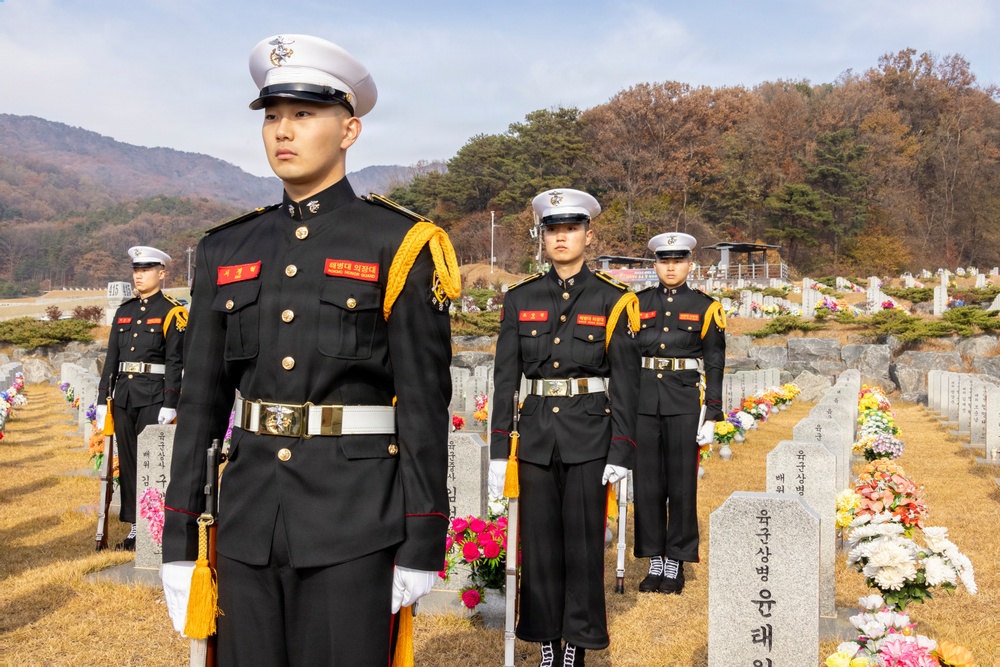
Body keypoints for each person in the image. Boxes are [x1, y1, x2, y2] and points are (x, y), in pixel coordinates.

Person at [160, 34, 458, 666]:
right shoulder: (226, 249)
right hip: (247, 519)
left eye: (303, 115)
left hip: (355, 520)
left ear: (348, 130)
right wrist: (181, 535)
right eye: (272, 117)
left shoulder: (399, 241)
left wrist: (424, 535)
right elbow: (202, 401)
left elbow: (426, 401)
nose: (282, 132)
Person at [488, 189, 640, 667]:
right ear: (542, 236)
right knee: (540, 546)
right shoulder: (520, 298)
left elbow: (627, 385)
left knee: (582, 544)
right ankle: (546, 639)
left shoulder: (614, 301)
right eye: (553, 230)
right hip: (534, 438)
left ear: (587, 235)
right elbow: (505, 378)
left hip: (590, 438)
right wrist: (497, 451)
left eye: (570, 229)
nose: (561, 237)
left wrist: (621, 450)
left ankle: (576, 639)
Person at [631, 232, 725, 594]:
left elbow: (714, 362)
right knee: (647, 484)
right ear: (655, 265)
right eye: (663, 261)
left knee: (681, 485)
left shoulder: (705, 307)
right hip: (643, 401)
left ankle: (676, 560)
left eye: (677, 261)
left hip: (684, 401)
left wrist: (712, 413)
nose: (670, 267)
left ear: (689, 264)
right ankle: (655, 559)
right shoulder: (636, 304)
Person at [96, 246, 186, 551]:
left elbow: (176, 361)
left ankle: (156, 528)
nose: (139, 276)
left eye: (146, 270)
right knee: (131, 463)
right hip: (124, 397)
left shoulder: (173, 311)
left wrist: (170, 402)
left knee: (154, 462)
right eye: (136, 271)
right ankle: (137, 526)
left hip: (153, 397)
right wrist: (101, 398)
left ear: (162, 273)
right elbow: (111, 359)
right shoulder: (125, 311)